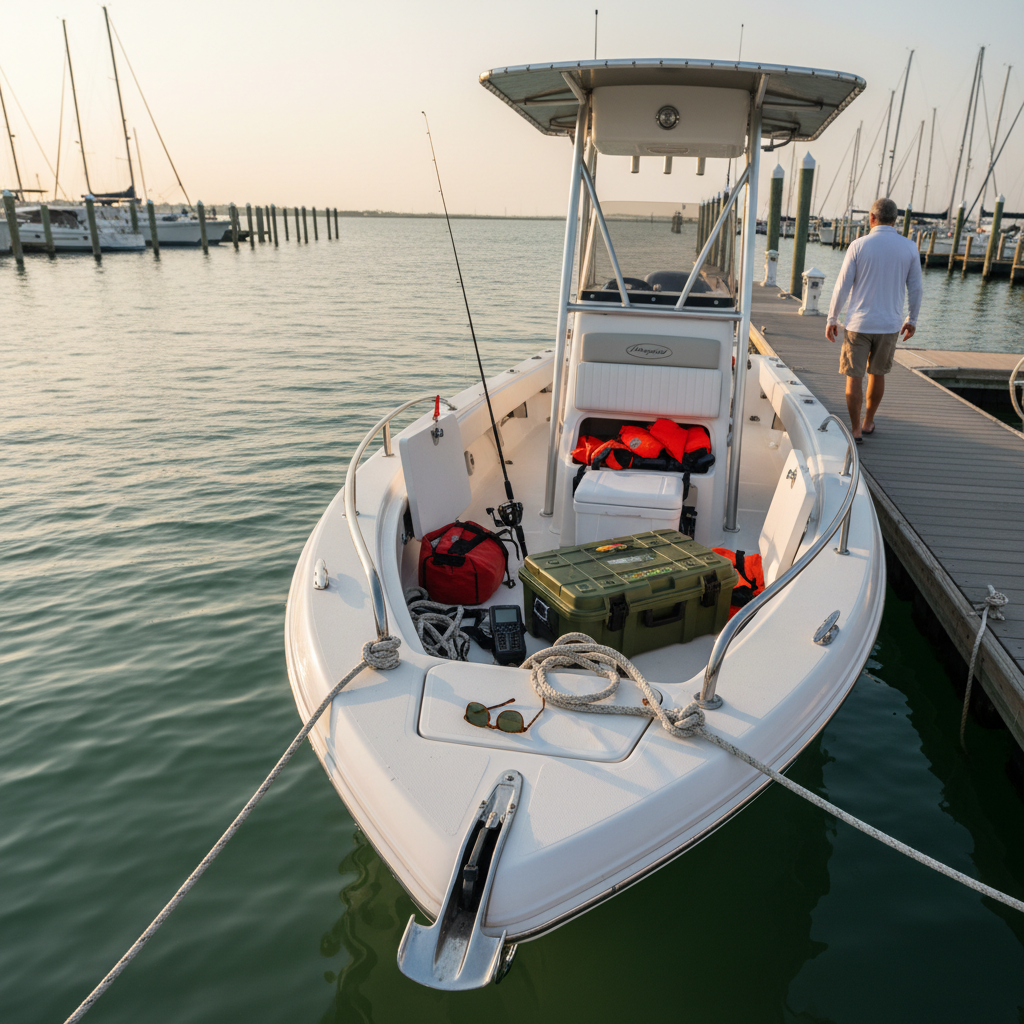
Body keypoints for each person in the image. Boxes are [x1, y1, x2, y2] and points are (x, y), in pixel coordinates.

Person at [825, 197, 923, 442]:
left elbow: (842, 286)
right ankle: (868, 422)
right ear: (895, 220)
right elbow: (917, 288)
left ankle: (855, 429)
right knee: (878, 374)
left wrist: (832, 318)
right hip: (889, 325)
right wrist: (912, 319)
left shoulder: (858, 245)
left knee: (854, 376)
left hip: (858, 323)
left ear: (872, 218)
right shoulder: (910, 247)